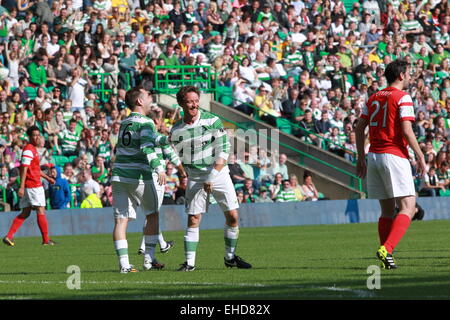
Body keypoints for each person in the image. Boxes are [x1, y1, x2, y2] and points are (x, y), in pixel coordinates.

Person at [170, 85, 252, 271]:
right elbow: (178, 154)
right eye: (190, 102)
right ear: (182, 104)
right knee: (193, 218)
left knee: (232, 216)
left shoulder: (212, 120)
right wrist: (184, 172)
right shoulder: (176, 130)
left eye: (196, 101)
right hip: (196, 177)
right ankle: (189, 263)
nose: (194, 105)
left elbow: (224, 149)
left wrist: (212, 175)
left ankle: (230, 258)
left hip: (219, 173)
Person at [355, 59, 427, 270]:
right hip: (394, 155)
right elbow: (406, 130)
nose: (411, 77)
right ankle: (387, 248)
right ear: (401, 75)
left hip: (374, 156)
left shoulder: (373, 97)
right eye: (409, 73)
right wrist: (420, 155)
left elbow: (359, 129)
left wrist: (361, 158)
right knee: (408, 207)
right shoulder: (402, 97)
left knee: (386, 211)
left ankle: (387, 256)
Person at [110, 87, 171, 273]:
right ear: (139, 101)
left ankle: (125, 265)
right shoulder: (146, 122)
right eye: (148, 96)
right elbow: (146, 146)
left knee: (121, 221)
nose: (151, 98)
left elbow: (149, 139)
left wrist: (169, 139)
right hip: (137, 175)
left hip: (119, 175)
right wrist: (159, 168)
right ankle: (149, 259)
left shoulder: (125, 121)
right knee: (152, 214)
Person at [2, 126, 56, 247]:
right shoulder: (28, 150)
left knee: (25, 212)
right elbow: (24, 168)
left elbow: (35, 169)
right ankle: (46, 240)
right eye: (34, 135)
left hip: (31, 185)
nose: (37, 137)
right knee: (40, 209)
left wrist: (48, 178)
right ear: (29, 137)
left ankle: (9, 236)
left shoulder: (33, 149)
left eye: (38, 135)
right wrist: (21, 187)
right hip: (33, 185)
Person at [137, 140, 187, 257]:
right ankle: (147, 249)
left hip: (144, 178)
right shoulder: (160, 140)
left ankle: (159, 244)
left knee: (150, 215)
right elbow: (173, 156)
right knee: (152, 215)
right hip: (157, 179)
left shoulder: (144, 141)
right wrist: (182, 172)